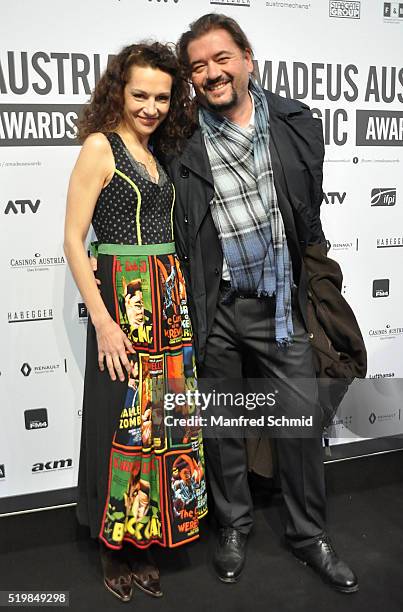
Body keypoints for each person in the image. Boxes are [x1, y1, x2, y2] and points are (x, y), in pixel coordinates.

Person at [168, 13, 358, 593]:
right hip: (217, 308)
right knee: (224, 425)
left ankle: (308, 535)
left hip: (280, 305)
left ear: (248, 57)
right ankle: (233, 525)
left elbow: (307, 209)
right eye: (197, 66)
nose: (211, 72)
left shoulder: (298, 124)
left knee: (299, 425)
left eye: (221, 58)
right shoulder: (182, 140)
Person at [64, 42, 207, 603]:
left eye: (162, 97)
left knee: (161, 422)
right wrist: (101, 319)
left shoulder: (159, 153)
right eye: (140, 94)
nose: (150, 106)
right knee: (120, 421)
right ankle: (112, 542)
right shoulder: (101, 147)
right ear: (118, 93)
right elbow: (75, 241)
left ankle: (146, 538)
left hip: (168, 302)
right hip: (121, 300)